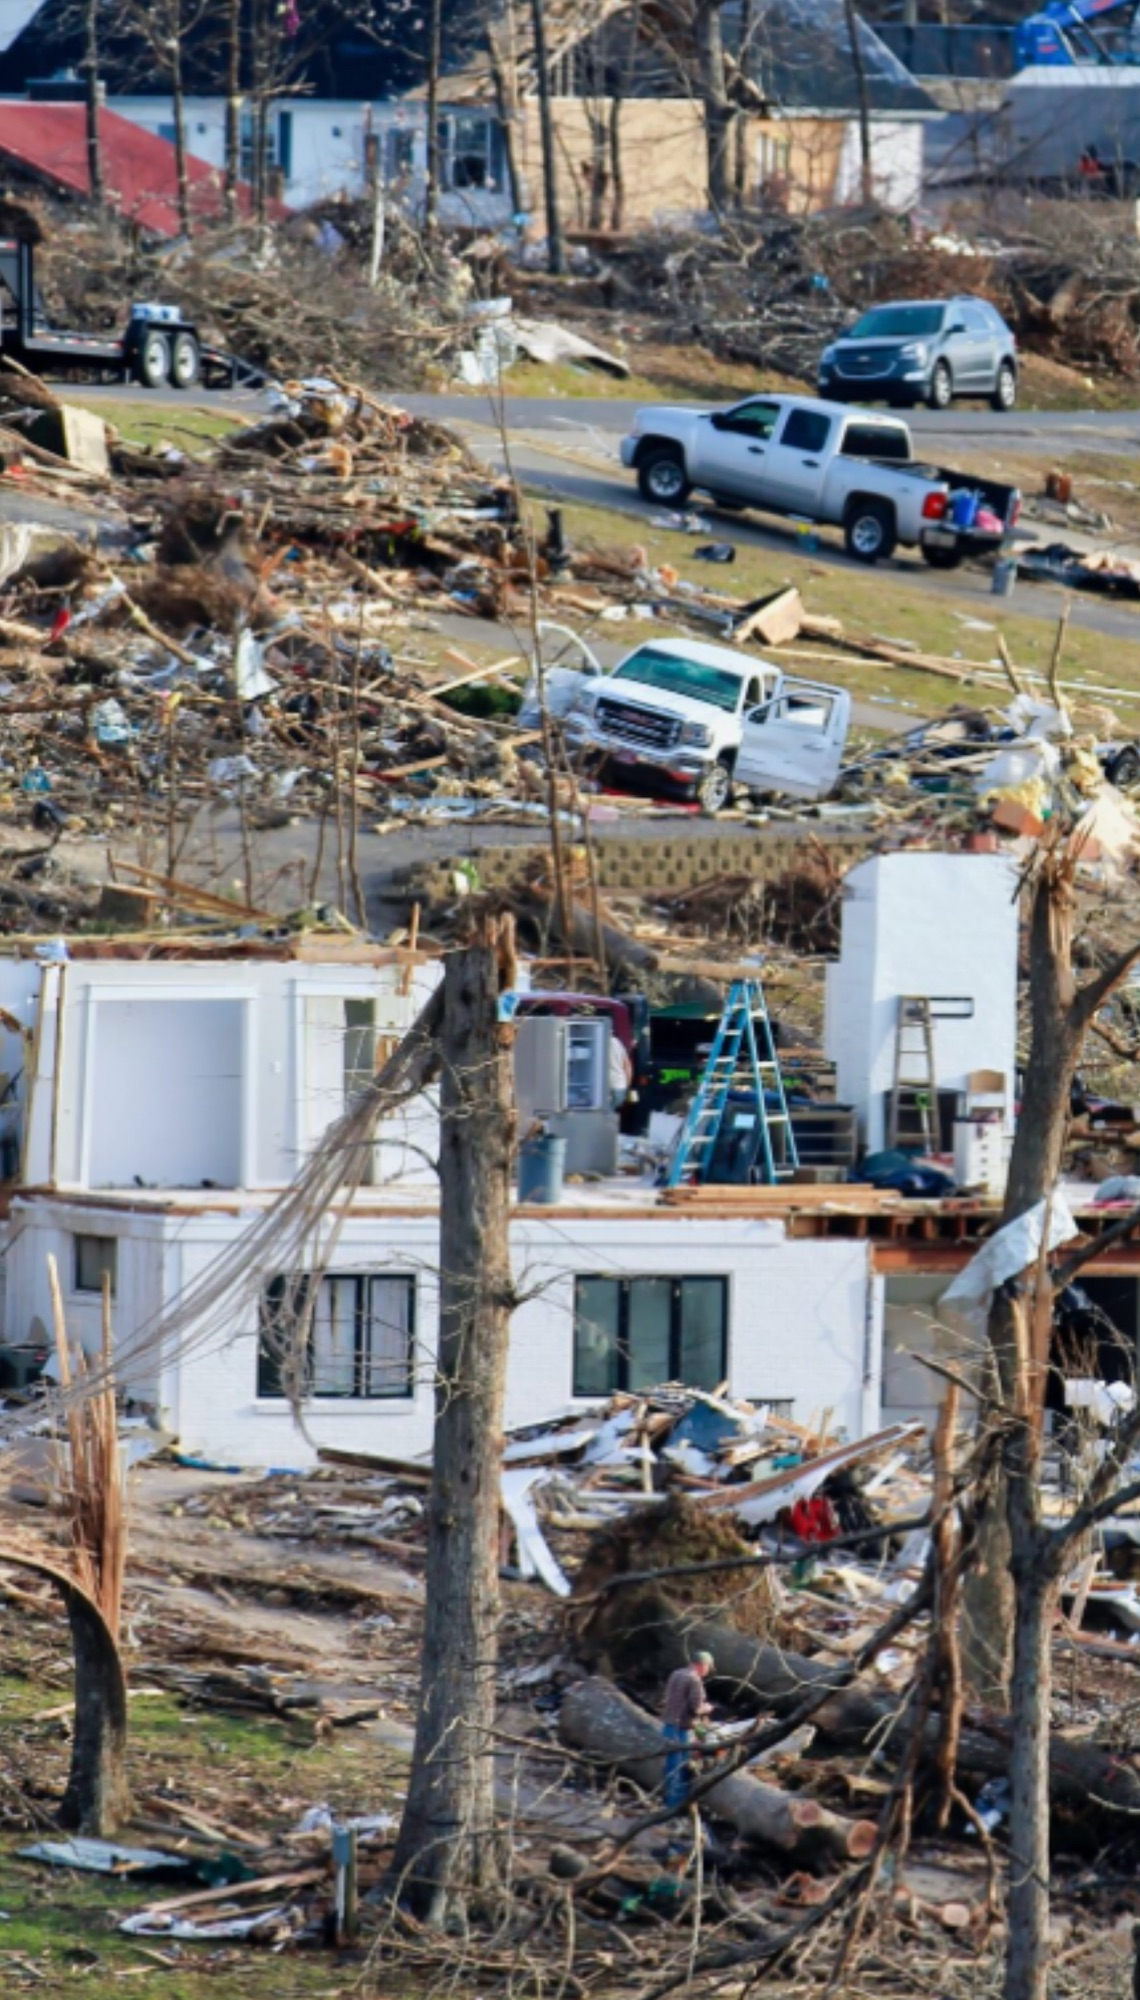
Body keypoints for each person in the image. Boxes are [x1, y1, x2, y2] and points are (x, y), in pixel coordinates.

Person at [661, 1650, 714, 1810]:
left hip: (668, 1725)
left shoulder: (676, 1674)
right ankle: (676, 1807)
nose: (709, 1671)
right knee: (681, 1767)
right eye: (708, 1667)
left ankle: (668, 1801)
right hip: (681, 1729)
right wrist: (707, 1708)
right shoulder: (694, 1680)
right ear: (701, 1665)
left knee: (671, 1766)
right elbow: (696, 1708)